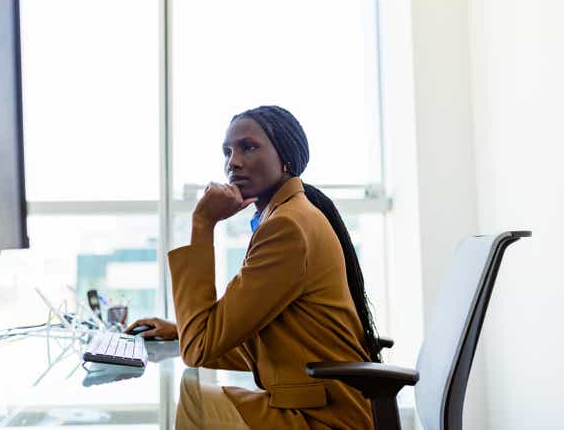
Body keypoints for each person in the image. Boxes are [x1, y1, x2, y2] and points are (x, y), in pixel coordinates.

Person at [126, 105, 378, 429]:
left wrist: (202, 223)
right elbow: (263, 338)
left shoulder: (286, 228)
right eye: (227, 152)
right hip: (321, 405)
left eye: (249, 147)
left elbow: (197, 352)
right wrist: (182, 331)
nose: (233, 162)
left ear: (285, 158)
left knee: (197, 401)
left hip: (326, 419)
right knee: (199, 395)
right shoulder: (289, 216)